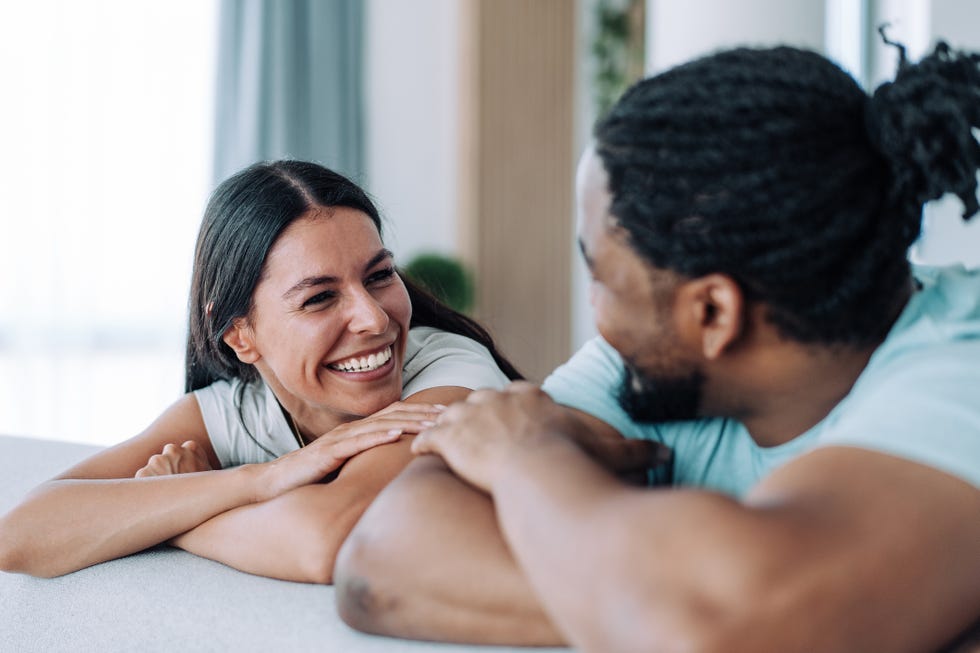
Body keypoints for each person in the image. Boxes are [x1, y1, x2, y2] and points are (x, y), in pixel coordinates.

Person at [333, 39, 980, 652]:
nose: (595, 311)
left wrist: (526, 457)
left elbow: (716, 624)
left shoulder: (961, 369)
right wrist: (664, 602)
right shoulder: (654, 359)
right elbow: (381, 564)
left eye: (603, 278)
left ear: (712, 311)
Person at [0, 160, 523, 583]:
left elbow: (326, 538)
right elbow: (21, 535)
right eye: (320, 298)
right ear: (239, 335)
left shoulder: (450, 374)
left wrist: (179, 507)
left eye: (380, 275)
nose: (374, 318)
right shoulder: (229, 415)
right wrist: (260, 480)